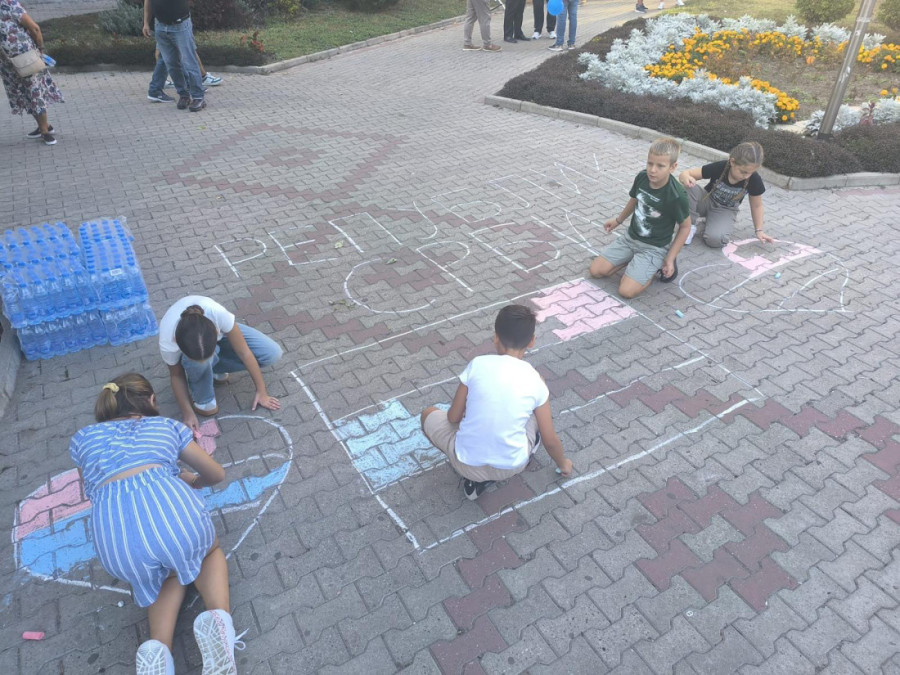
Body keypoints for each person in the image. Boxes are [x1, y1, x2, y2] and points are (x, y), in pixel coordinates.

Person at [69, 373, 240, 675]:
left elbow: (94, 491)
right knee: (207, 552)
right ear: (150, 400)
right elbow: (216, 474)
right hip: (172, 520)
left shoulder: (84, 438)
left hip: (117, 543)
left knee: (162, 575)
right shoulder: (165, 426)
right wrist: (189, 480)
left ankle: (158, 650)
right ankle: (218, 623)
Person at [420, 304, 573, 500]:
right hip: (512, 466)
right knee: (535, 412)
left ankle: (476, 480)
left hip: (465, 464)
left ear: (495, 338)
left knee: (428, 414)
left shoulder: (477, 365)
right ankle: (530, 443)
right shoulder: (535, 380)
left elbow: (453, 417)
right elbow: (550, 440)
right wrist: (564, 464)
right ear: (532, 341)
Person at [159, 295, 283, 431]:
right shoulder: (167, 339)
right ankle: (203, 398)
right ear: (176, 341)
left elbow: (244, 352)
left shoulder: (218, 314)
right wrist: (187, 413)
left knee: (271, 353)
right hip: (196, 343)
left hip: (212, 331)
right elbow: (176, 376)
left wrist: (262, 391)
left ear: (217, 331)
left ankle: (213, 367)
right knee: (201, 366)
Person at [589, 137, 691, 298]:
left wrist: (670, 258)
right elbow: (635, 199)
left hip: (654, 247)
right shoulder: (642, 177)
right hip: (631, 238)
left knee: (626, 291)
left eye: (660, 166)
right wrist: (618, 220)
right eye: (650, 163)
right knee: (596, 271)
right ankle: (635, 263)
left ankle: (654, 263)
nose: (652, 170)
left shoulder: (677, 195)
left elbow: (685, 227)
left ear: (673, 167)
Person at [677, 141, 773, 248]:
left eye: (750, 172)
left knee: (715, 240)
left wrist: (759, 230)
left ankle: (712, 222)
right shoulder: (721, 166)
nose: (746, 176)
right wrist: (686, 178)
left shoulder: (754, 179)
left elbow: (757, 206)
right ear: (732, 162)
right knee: (689, 188)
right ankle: (689, 226)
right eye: (743, 172)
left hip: (725, 210)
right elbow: (686, 173)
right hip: (706, 200)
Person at [0, 0, 63, 145]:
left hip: (26, 58)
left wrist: (40, 49)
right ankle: (44, 126)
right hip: (8, 64)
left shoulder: (10, 4)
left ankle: (45, 132)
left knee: (34, 92)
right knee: (25, 93)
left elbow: (34, 28)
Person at [142, 0, 206, 112]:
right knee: (171, 64)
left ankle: (198, 97)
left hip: (180, 25)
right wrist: (146, 23)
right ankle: (184, 95)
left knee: (189, 62)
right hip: (160, 26)